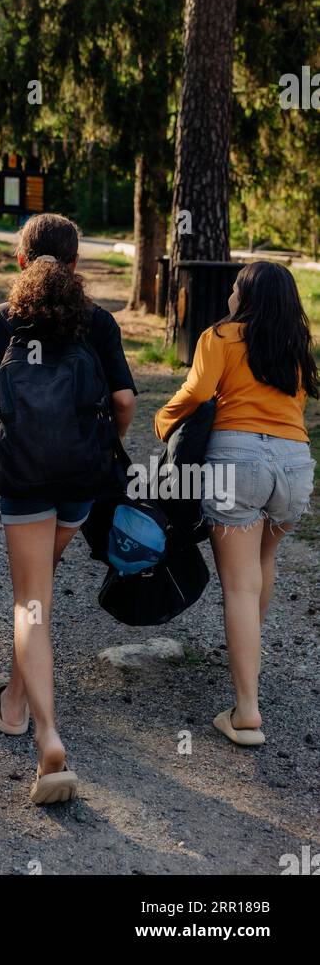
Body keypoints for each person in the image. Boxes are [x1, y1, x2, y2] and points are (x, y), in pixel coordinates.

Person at [0, 213, 136, 804]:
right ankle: (12, 702)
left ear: (22, 263)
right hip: (81, 478)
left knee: (30, 603)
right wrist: (109, 442)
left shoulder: (1, 322)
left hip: (26, 478)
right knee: (40, 597)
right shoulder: (97, 321)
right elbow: (125, 399)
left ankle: (48, 735)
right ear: (77, 266)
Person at [155, 260, 317, 748]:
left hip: (238, 463)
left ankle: (247, 710)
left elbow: (198, 392)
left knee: (240, 588)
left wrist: (164, 420)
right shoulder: (293, 345)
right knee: (263, 563)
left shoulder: (221, 336)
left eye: (233, 290)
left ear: (245, 298)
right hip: (295, 464)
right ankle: (248, 650)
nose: (227, 297)